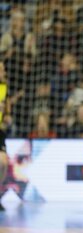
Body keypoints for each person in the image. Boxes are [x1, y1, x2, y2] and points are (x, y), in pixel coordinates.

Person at [0, 59, 10, 211]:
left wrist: (7, 118)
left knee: (3, 163)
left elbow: (7, 113)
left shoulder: (4, 88)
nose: (2, 72)